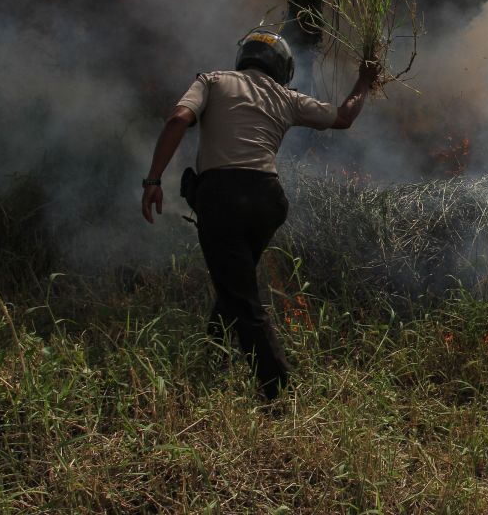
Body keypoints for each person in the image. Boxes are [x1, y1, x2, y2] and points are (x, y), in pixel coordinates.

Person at [141, 27, 379, 402]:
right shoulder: (287, 96)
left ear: (244, 56)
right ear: (281, 66)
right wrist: (365, 79)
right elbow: (345, 117)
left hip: (222, 198)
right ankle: (213, 354)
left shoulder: (213, 81)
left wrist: (153, 179)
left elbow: (177, 120)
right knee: (234, 279)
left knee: (243, 297)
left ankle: (278, 392)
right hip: (268, 202)